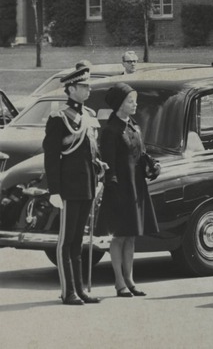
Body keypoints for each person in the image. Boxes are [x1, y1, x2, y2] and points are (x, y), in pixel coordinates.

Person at [42, 65, 102, 305]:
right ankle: (68, 291)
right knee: (66, 241)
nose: (88, 89)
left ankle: (80, 289)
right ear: (71, 89)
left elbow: (93, 154)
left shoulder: (89, 116)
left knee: (78, 239)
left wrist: (97, 178)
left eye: (88, 85)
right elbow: (51, 156)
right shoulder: (59, 118)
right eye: (84, 86)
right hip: (67, 187)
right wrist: (54, 190)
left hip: (87, 185)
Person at [100, 83, 161, 298]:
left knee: (131, 236)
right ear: (119, 104)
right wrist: (113, 188)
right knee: (119, 235)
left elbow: (141, 153)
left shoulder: (134, 126)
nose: (135, 103)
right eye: (130, 100)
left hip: (136, 186)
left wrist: (152, 165)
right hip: (119, 188)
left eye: (135, 99)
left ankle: (130, 279)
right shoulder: (110, 130)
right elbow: (108, 164)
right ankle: (119, 281)